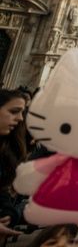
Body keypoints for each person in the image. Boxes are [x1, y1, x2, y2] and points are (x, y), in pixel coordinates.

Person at [0, 90, 29, 237]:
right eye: (14, 111)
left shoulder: (6, 150)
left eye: (22, 113)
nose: (20, 118)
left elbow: (2, 189)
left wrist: (8, 214)